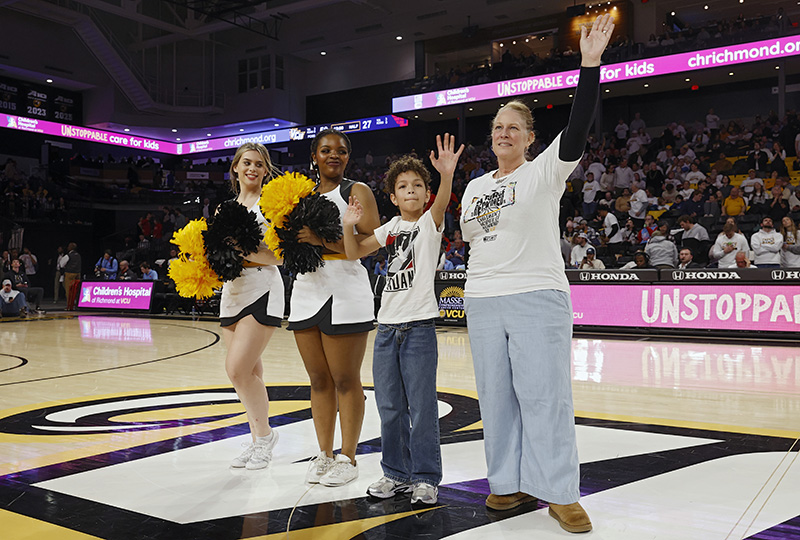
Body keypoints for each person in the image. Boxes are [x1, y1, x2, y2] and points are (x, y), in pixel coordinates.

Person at [458, 14, 615, 534]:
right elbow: (473, 238)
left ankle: (560, 493)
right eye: (498, 127)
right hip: (481, 299)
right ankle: (506, 482)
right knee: (496, 398)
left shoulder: (545, 169)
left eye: (514, 128)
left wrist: (589, 66)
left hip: (537, 294)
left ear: (530, 137)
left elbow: (578, 128)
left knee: (546, 397)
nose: (504, 133)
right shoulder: (477, 187)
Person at [341, 134, 463, 506]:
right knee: (390, 407)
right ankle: (395, 473)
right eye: (403, 187)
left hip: (419, 329)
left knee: (423, 407)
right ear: (392, 197)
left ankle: (425, 477)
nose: (411, 191)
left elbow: (443, 202)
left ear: (426, 194)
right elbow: (352, 253)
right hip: (386, 330)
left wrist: (445, 175)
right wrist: (349, 224)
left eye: (417, 186)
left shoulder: (430, 223)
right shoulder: (389, 227)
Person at [289, 128, 380, 487]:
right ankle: (324, 453)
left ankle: (349, 457)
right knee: (318, 380)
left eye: (341, 151)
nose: (333, 155)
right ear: (314, 156)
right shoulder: (299, 195)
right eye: (326, 150)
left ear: (347, 158)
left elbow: (372, 241)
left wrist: (321, 240)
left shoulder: (356, 192)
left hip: (346, 291)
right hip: (306, 291)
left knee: (345, 379)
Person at [221, 143, 285, 471]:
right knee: (250, 373)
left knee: (236, 369)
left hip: (263, 287)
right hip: (232, 291)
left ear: (265, 171)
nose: (252, 168)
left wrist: (242, 249)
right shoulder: (225, 208)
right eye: (247, 162)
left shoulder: (270, 206)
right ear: (235, 167)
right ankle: (257, 437)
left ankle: (265, 437)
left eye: (259, 164)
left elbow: (280, 254)